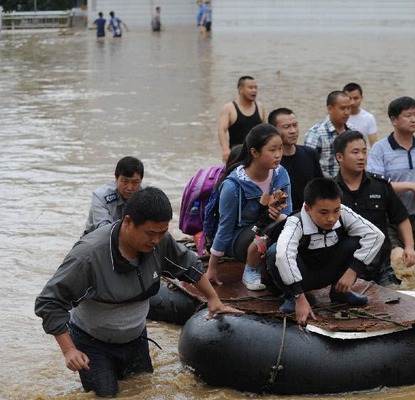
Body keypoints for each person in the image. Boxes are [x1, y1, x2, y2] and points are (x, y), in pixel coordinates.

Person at [34, 187, 241, 398]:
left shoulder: (160, 242)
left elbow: (188, 265)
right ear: (128, 222)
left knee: (144, 392)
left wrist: (213, 299)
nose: (156, 240)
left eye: (162, 233)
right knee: (105, 395)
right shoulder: (88, 256)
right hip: (93, 344)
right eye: (151, 233)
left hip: (135, 340)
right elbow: (49, 302)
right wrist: (69, 350)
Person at [266, 178, 385, 326]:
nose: (331, 218)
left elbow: (376, 235)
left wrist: (353, 270)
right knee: (274, 252)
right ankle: (291, 297)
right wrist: (299, 298)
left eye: (336, 211)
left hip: (330, 271)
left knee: (355, 241)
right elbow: (283, 255)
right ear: (308, 209)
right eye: (323, 212)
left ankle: (340, 292)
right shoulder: (295, 222)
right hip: (302, 278)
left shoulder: (343, 214)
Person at [206, 124, 292, 291]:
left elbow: (288, 213)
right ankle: (250, 270)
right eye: (272, 150)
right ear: (254, 152)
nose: (278, 155)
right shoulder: (233, 186)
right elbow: (225, 227)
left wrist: (279, 216)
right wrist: (212, 267)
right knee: (266, 235)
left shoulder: (281, 173)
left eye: (280, 149)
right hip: (241, 238)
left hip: (273, 226)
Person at [334, 131, 415, 286]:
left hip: (381, 267)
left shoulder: (380, 186)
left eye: (364, 151)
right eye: (355, 152)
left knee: (394, 303)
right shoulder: (331, 191)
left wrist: (410, 247)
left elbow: (401, 218)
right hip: (344, 268)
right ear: (340, 157)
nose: (361, 157)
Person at [367, 96, 415, 261]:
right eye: (408, 116)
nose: (413, 119)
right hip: (387, 219)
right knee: (397, 259)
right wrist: (411, 186)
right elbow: (375, 186)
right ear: (393, 120)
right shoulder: (380, 149)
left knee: (414, 264)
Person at [268, 107, 323, 212]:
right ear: (274, 130)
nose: (293, 131)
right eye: (286, 127)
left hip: (309, 214)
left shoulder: (310, 154)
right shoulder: (271, 162)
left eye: (295, 125)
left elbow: (319, 187)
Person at [84, 156, 146, 236]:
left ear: (141, 181)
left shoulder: (147, 195)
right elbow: (103, 229)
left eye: (135, 183)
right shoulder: (100, 196)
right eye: (125, 181)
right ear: (116, 179)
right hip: (96, 239)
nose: (129, 188)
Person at [304, 90, 354, 178]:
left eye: (349, 108)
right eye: (342, 108)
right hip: (325, 187)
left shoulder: (353, 131)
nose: (347, 112)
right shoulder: (316, 133)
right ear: (330, 108)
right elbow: (308, 167)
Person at [217, 76, 266, 163]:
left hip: (257, 155)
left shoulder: (260, 107)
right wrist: (225, 150)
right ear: (241, 89)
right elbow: (221, 130)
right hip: (237, 155)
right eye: (250, 88)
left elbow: (265, 130)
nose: (254, 91)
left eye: (256, 88)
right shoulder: (229, 108)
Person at [343, 82, 378, 146]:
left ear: (361, 98)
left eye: (356, 98)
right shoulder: (339, 117)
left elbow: (374, 145)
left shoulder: (369, 118)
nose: (352, 102)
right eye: (349, 98)